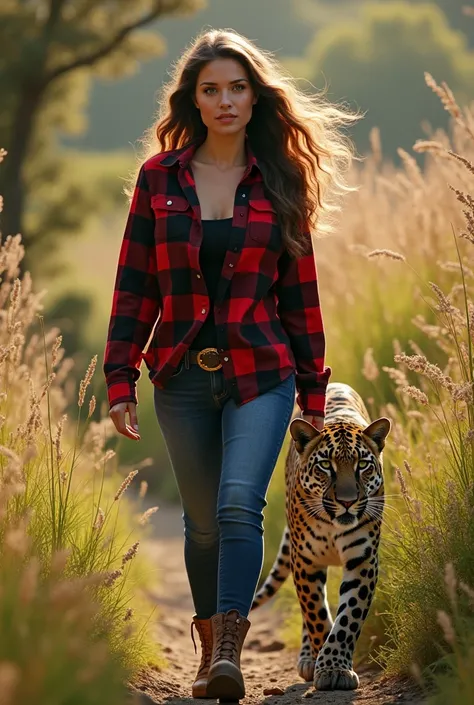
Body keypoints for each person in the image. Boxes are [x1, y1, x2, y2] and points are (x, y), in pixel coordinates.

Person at [103, 28, 357, 701]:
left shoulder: (279, 177)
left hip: (262, 373)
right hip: (182, 376)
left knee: (239, 502)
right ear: (193, 98)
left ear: (254, 97)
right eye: (211, 88)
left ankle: (226, 654)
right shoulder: (158, 178)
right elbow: (134, 284)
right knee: (203, 522)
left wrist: (311, 390)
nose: (225, 100)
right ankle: (208, 634)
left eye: (237, 87)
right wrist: (119, 375)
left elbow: (301, 295)